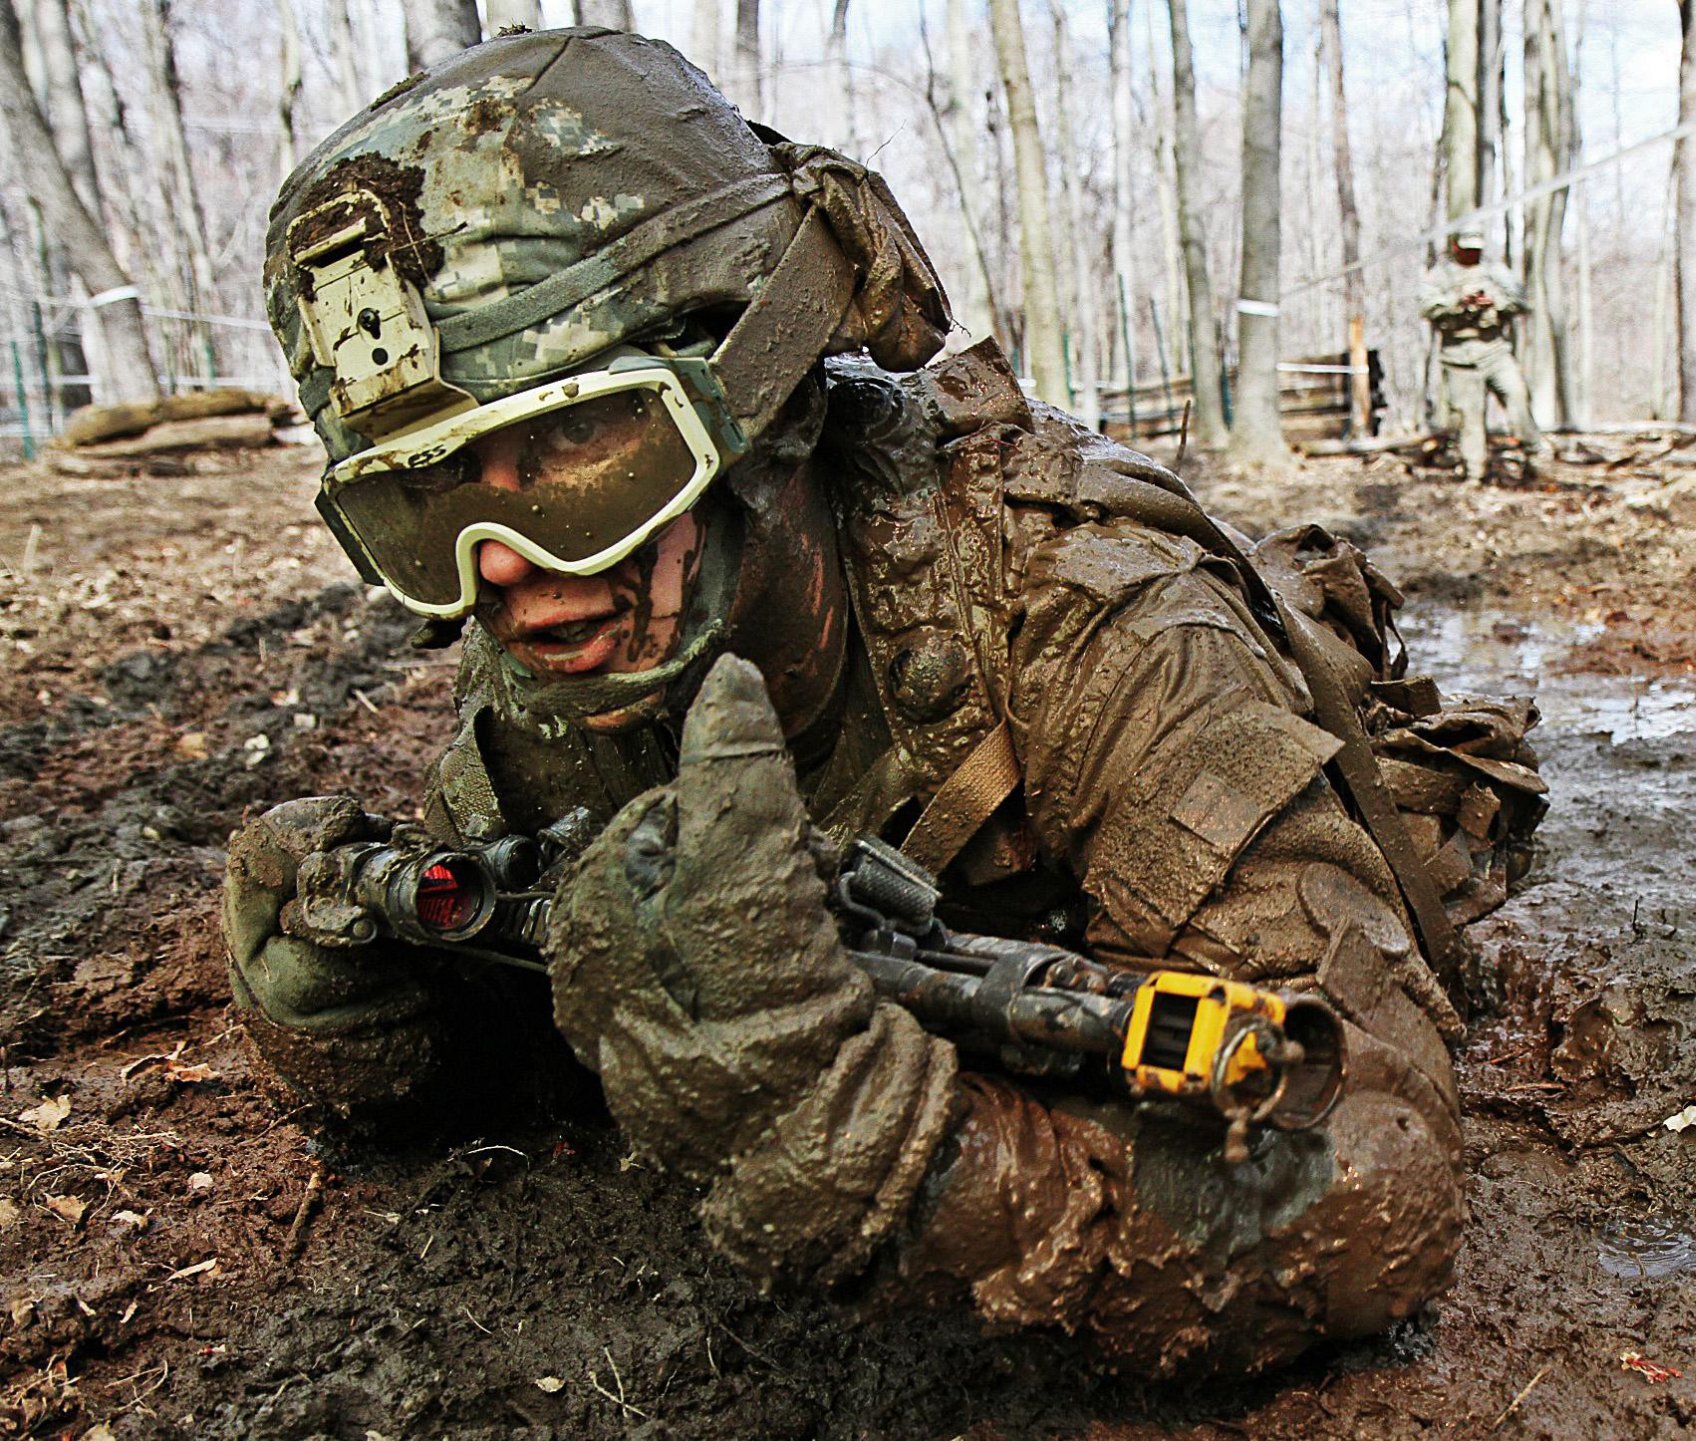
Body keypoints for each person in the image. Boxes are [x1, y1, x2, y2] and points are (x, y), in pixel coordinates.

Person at [226, 28, 1544, 1376]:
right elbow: (539, 1045)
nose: (503, 571)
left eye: (576, 446)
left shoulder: (1084, 617)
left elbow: (1373, 1180)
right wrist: (358, 1019)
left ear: (766, 402)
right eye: (424, 495)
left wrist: (910, 1162)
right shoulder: (572, 638)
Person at [1419, 224, 1546, 483]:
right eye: (1467, 249)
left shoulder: (1495, 272)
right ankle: (1474, 473)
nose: (1472, 254)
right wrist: (1458, 303)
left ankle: (1535, 459)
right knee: (1470, 418)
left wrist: (1495, 302)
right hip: (1458, 357)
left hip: (1495, 351)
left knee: (1517, 398)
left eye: (1476, 249)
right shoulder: (1440, 276)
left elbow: (1522, 302)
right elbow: (1427, 307)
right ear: (1455, 247)